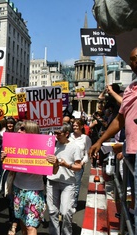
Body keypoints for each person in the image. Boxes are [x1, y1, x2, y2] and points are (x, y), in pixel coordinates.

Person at [89, 47, 137, 235]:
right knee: (132, 197)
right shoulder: (131, 89)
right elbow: (120, 120)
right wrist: (100, 141)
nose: (134, 62)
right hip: (130, 151)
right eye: (132, 59)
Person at [10, 120, 46, 235]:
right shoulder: (15, 145)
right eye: (19, 128)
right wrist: (6, 159)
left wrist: (54, 163)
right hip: (18, 188)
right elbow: (11, 169)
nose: (19, 130)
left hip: (34, 190)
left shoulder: (43, 147)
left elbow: (53, 171)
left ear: (31, 130)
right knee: (22, 221)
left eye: (22, 129)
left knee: (31, 226)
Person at [45, 122, 82, 235]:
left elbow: (79, 166)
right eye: (55, 133)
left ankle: (66, 233)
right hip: (52, 181)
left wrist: (66, 165)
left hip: (68, 183)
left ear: (66, 134)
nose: (56, 135)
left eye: (58, 133)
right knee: (52, 212)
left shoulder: (75, 147)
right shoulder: (52, 145)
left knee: (65, 212)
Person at [68, 119, 92, 208]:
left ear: (82, 126)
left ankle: (73, 205)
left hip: (78, 165)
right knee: (67, 184)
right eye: (73, 126)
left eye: (77, 126)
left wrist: (81, 163)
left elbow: (87, 154)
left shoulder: (86, 138)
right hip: (67, 165)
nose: (75, 127)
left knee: (76, 185)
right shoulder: (69, 136)